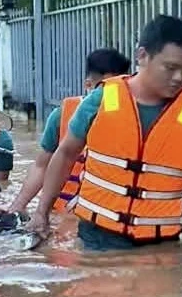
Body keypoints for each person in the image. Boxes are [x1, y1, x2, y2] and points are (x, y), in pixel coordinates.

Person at [26, 15, 182, 250]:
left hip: (162, 243)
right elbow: (66, 154)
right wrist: (41, 211)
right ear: (142, 56)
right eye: (170, 68)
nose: (179, 78)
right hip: (96, 238)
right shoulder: (102, 98)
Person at [7, 48, 131, 214]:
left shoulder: (133, 122)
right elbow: (41, 166)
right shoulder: (61, 115)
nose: (111, 96)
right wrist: (18, 206)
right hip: (60, 213)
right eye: (106, 88)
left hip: (104, 216)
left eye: (119, 88)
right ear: (88, 85)